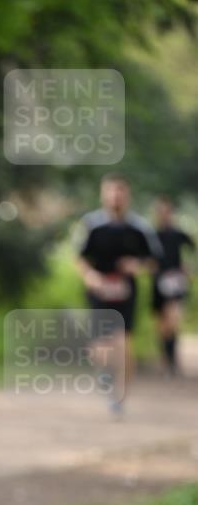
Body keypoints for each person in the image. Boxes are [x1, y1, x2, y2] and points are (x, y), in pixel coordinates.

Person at [75, 174, 162, 415]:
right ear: (103, 194)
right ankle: (105, 374)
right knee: (100, 348)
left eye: (120, 191)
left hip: (126, 292)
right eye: (111, 191)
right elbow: (80, 258)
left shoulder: (139, 227)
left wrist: (138, 265)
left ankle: (119, 398)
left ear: (127, 195)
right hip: (99, 290)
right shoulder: (92, 224)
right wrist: (90, 276)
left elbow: (154, 262)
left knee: (124, 343)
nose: (116, 196)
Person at [151, 196, 195, 376]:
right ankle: (166, 359)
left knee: (173, 319)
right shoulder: (152, 235)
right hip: (158, 282)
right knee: (162, 324)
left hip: (175, 282)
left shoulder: (179, 234)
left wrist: (189, 266)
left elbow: (193, 249)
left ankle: (172, 361)